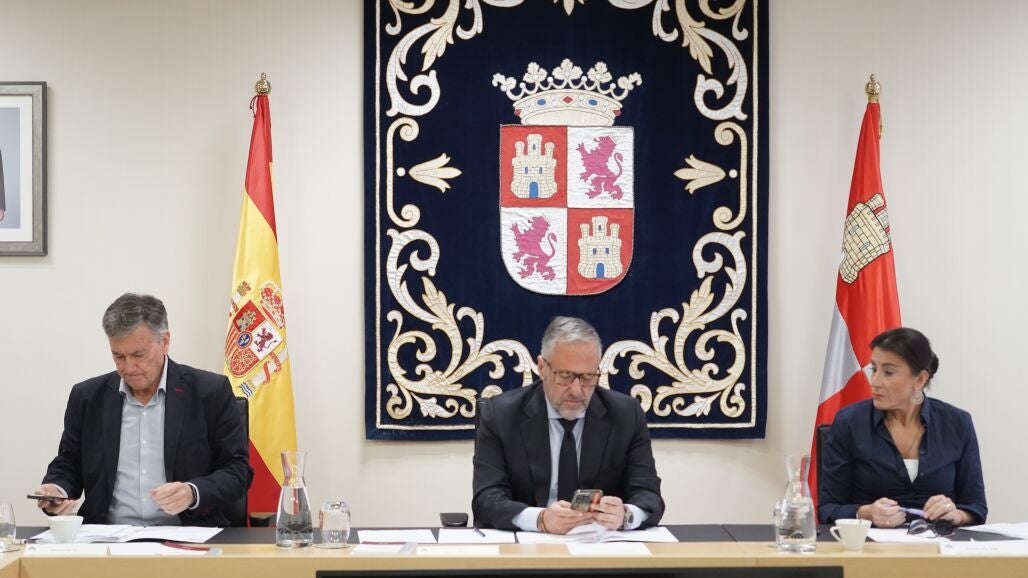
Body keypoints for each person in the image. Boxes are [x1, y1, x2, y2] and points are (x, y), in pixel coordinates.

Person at [33, 293, 253, 526]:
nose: (128, 368)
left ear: (165, 342)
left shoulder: (210, 392)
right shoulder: (87, 397)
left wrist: (192, 492)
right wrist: (56, 489)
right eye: (118, 356)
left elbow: (237, 471)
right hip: (108, 537)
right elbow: (68, 464)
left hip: (187, 536)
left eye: (138, 355)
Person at [472, 316, 664, 533]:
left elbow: (649, 495)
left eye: (588, 377)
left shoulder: (626, 415)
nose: (576, 390)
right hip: (527, 544)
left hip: (600, 545)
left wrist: (625, 515)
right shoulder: (500, 415)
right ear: (542, 367)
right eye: (565, 376)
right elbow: (486, 500)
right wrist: (541, 519)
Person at [819, 327, 987, 528]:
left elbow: (976, 508)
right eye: (874, 369)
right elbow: (828, 509)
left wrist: (956, 515)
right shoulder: (849, 422)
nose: (875, 382)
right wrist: (864, 513)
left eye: (888, 372)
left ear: (920, 379)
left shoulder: (958, 423)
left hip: (940, 544)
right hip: (870, 544)